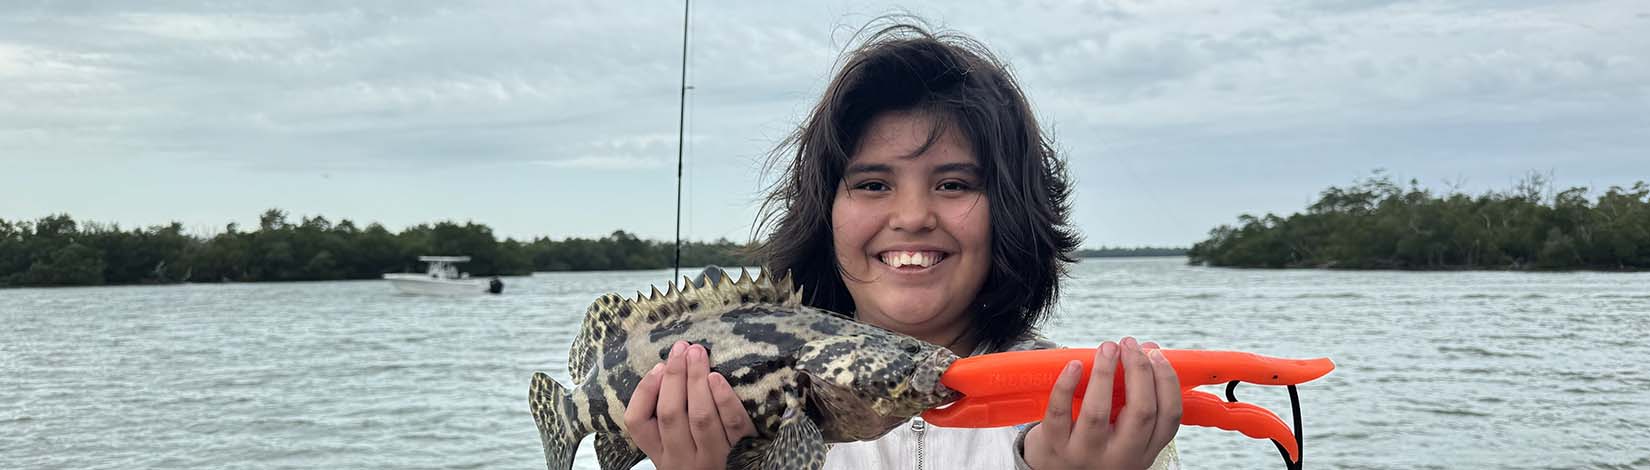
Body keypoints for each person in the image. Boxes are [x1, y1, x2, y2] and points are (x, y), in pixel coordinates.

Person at [623, 19, 1182, 470]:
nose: (912, 217)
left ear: (1011, 212)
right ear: (826, 214)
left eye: (954, 184)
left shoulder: (1094, 421)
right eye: (872, 184)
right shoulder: (717, 420)